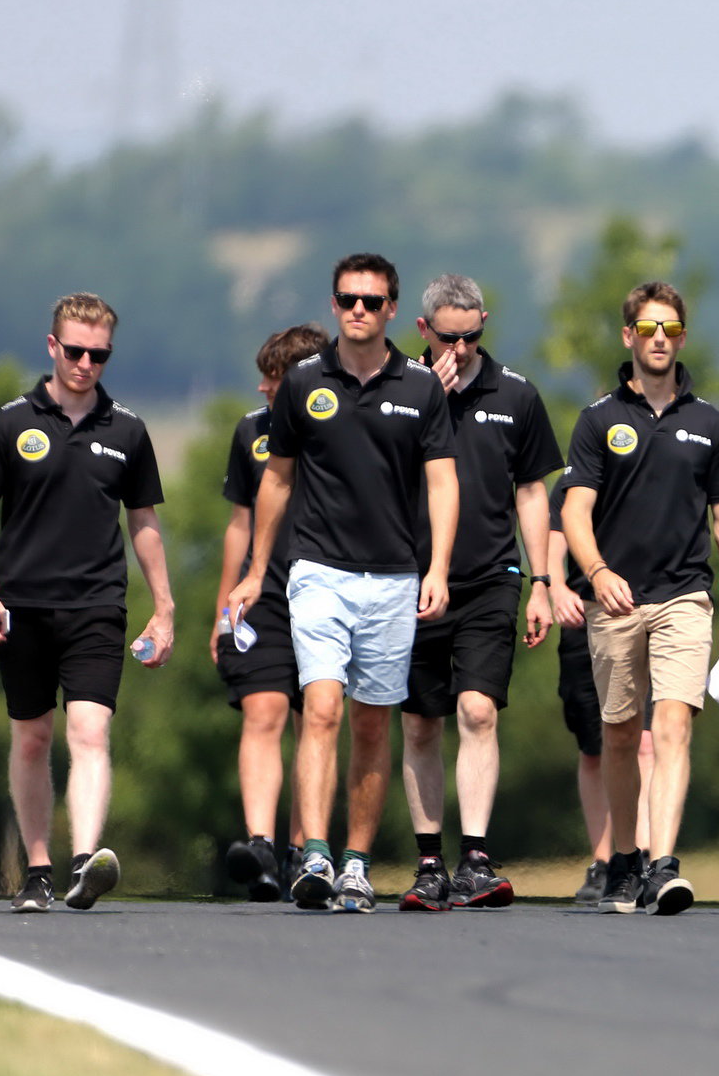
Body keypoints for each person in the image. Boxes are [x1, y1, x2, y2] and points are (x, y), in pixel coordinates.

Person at [226, 252, 459, 914]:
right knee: (321, 706)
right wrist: (253, 572)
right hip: (318, 570)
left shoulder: (420, 386)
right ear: (335, 305)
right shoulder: (302, 382)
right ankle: (317, 853)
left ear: (391, 309)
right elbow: (275, 478)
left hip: (392, 575)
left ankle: (357, 862)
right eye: (348, 298)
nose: (358, 309)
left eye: (371, 300)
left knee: (372, 722)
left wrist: (438, 566)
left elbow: (443, 480)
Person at [0, 292, 173, 913]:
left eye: (99, 355)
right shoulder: (10, 422)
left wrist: (164, 608)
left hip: (97, 604)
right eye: (75, 351)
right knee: (31, 737)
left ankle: (85, 862)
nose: (86, 364)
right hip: (20, 602)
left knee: (89, 728)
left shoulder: (128, 429)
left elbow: (144, 522)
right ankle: (37, 869)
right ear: (52, 346)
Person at [560, 280, 719, 916]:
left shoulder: (710, 424)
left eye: (670, 327)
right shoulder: (598, 420)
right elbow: (576, 507)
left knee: (671, 725)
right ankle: (621, 859)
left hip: (685, 598)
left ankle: (662, 863)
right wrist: (595, 570)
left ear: (683, 336)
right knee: (619, 736)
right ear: (629, 337)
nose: (660, 338)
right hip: (614, 601)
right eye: (647, 328)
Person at [398, 275, 562, 911]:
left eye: (471, 336)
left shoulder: (515, 394)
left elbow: (531, 494)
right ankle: (429, 860)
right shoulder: (399, 393)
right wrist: (422, 408)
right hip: (408, 581)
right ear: (423, 330)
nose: (460, 349)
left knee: (478, 711)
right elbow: (375, 475)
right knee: (419, 723)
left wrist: (542, 581)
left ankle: (476, 856)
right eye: (447, 337)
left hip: (491, 576)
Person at [214, 323, 330, 901]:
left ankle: (304, 852)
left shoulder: (343, 430)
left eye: (274, 377)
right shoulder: (251, 433)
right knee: (263, 712)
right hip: (261, 598)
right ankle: (259, 844)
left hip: (329, 593)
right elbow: (238, 524)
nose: (262, 388)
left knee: (318, 721)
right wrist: (222, 607)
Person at [548, 476, 657, 905]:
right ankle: (601, 859)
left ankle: (641, 853)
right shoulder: (576, 476)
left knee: (643, 742)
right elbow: (555, 537)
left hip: (644, 609)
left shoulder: (652, 467)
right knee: (594, 747)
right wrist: (556, 586)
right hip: (585, 613)